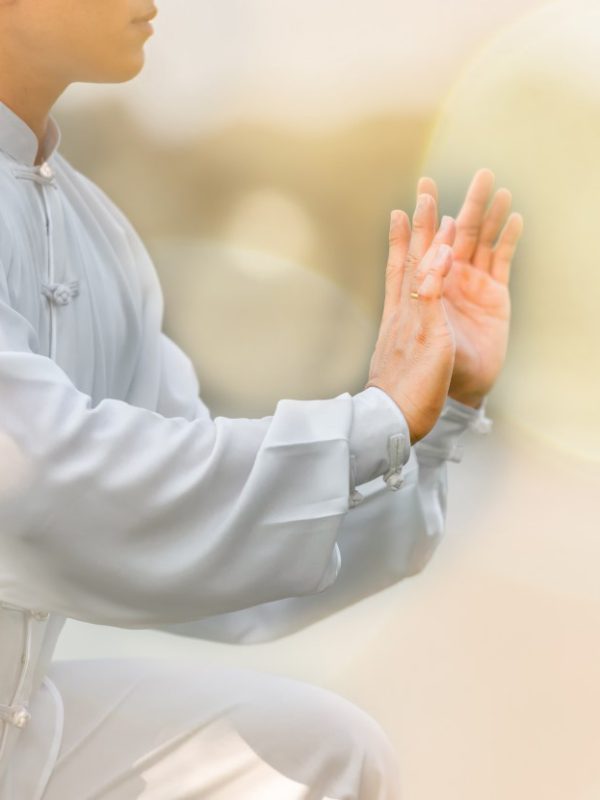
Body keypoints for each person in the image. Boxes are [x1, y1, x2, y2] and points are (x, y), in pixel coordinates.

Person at [0, 2, 524, 798]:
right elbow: (46, 490)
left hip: (18, 729)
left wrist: (432, 418)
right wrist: (374, 422)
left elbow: (198, 536)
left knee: (320, 752)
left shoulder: (90, 228)